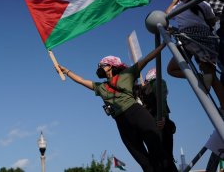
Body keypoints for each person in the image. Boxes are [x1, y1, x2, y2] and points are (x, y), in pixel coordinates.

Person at [57, 42, 172, 172]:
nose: (99, 67)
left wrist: (163, 45)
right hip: (122, 123)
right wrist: (66, 71)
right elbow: (82, 81)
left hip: (137, 113)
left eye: (102, 65)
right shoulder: (101, 87)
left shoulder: (126, 74)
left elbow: (146, 59)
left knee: (159, 152)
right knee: (144, 162)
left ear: (111, 66)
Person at [165, 0, 224, 111]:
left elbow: (165, 16)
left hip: (186, 39)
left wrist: (173, 1)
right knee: (212, 77)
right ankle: (223, 106)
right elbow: (212, 21)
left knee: (172, 69)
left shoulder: (178, 6)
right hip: (203, 39)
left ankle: (200, 78)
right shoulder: (203, 4)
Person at [133, 68, 178, 172]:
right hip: (160, 123)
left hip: (152, 125)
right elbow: (161, 98)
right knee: (166, 158)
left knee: (160, 158)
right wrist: (162, 116)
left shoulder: (143, 89)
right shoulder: (156, 84)